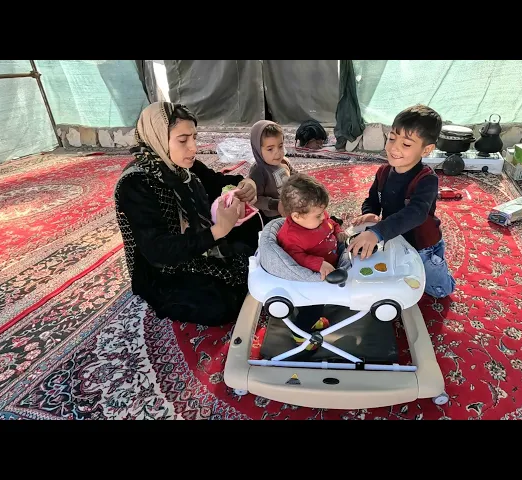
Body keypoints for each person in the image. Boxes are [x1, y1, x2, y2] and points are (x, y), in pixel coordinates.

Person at [114, 102, 262, 326]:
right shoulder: (135, 184)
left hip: (198, 243)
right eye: (183, 140)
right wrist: (217, 231)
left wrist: (246, 184)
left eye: (194, 137)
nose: (193, 148)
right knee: (220, 304)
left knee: (257, 227)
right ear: (158, 138)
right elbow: (157, 251)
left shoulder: (183, 166)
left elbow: (216, 181)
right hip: (161, 269)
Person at [348, 104, 456, 299]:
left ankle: (439, 263)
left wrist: (377, 232)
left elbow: (416, 213)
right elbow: (373, 199)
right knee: (397, 278)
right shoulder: (383, 172)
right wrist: (369, 212)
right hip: (395, 238)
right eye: (391, 138)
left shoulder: (427, 179)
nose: (394, 148)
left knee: (439, 291)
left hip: (422, 246)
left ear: (426, 149)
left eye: (406, 144)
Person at [277, 173, 348, 349]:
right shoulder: (291, 236)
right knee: (312, 308)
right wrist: (318, 263)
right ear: (296, 216)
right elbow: (294, 257)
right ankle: (300, 335)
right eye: (318, 215)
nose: (323, 217)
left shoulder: (315, 217)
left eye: (323, 212)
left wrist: (338, 230)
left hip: (332, 259)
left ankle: (313, 321)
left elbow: (330, 222)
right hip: (313, 280)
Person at [248, 120, 296, 223]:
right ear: (258, 150)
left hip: (290, 205)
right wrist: (276, 205)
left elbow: (296, 177)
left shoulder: (284, 162)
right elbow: (255, 199)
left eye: (280, 146)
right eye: (270, 149)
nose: (278, 153)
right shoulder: (258, 171)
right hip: (273, 216)